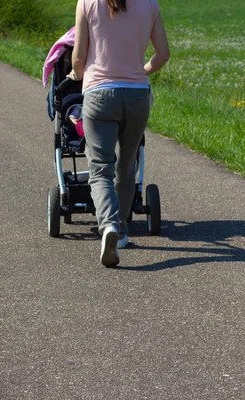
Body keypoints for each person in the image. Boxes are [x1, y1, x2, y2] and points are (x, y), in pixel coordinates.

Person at [68, 0, 169, 266]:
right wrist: (140, 72)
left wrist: (77, 74)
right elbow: (162, 55)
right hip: (137, 95)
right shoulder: (150, 4)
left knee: (101, 167)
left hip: (99, 95)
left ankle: (109, 226)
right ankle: (122, 230)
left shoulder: (87, 2)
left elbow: (78, 58)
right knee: (127, 164)